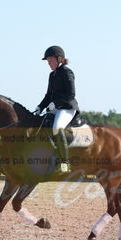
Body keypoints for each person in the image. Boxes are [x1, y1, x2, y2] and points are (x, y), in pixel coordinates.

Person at [35, 45, 80, 174]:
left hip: (67, 107)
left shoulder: (67, 72)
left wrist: (56, 104)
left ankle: (65, 164)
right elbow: (48, 95)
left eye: (51, 60)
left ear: (59, 59)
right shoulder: (52, 75)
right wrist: (40, 107)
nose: (49, 64)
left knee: (57, 127)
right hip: (55, 108)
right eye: (48, 61)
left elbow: (71, 93)